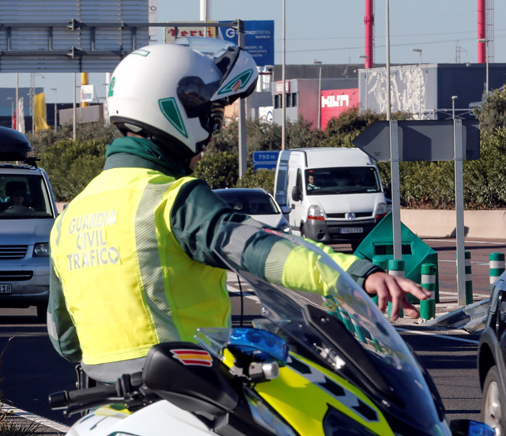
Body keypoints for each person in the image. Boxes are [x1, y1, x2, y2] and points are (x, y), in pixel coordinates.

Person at [47, 42, 428, 383]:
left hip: (107, 405)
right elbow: (262, 250)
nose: (211, 136)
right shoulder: (170, 199)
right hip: (188, 396)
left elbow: (64, 338)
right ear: (172, 111)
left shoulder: (69, 220)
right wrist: (354, 273)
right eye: (211, 120)